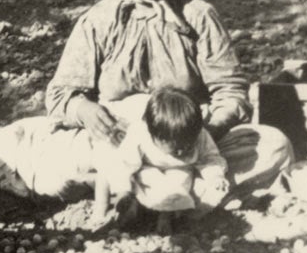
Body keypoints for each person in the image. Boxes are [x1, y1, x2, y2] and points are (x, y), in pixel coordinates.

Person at [0, 0, 293, 207]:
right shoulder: (99, 20)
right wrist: (86, 110)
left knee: (273, 145)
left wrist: (199, 135)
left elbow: (232, 92)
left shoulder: (198, 15)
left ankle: (139, 192)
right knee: (22, 151)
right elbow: (60, 95)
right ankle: (170, 193)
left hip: (187, 144)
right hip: (115, 144)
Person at [90, 89, 230, 234]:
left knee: (180, 182)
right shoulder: (140, 133)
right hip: (142, 169)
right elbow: (125, 162)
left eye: (187, 147)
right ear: (154, 135)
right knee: (107, 168)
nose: (181, 152)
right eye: (175, 149)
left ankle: (165, 217)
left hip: (177, 172)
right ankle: (105, 211)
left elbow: (210, 157)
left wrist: (215, 176)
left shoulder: (199, 135)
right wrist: (124, 190)